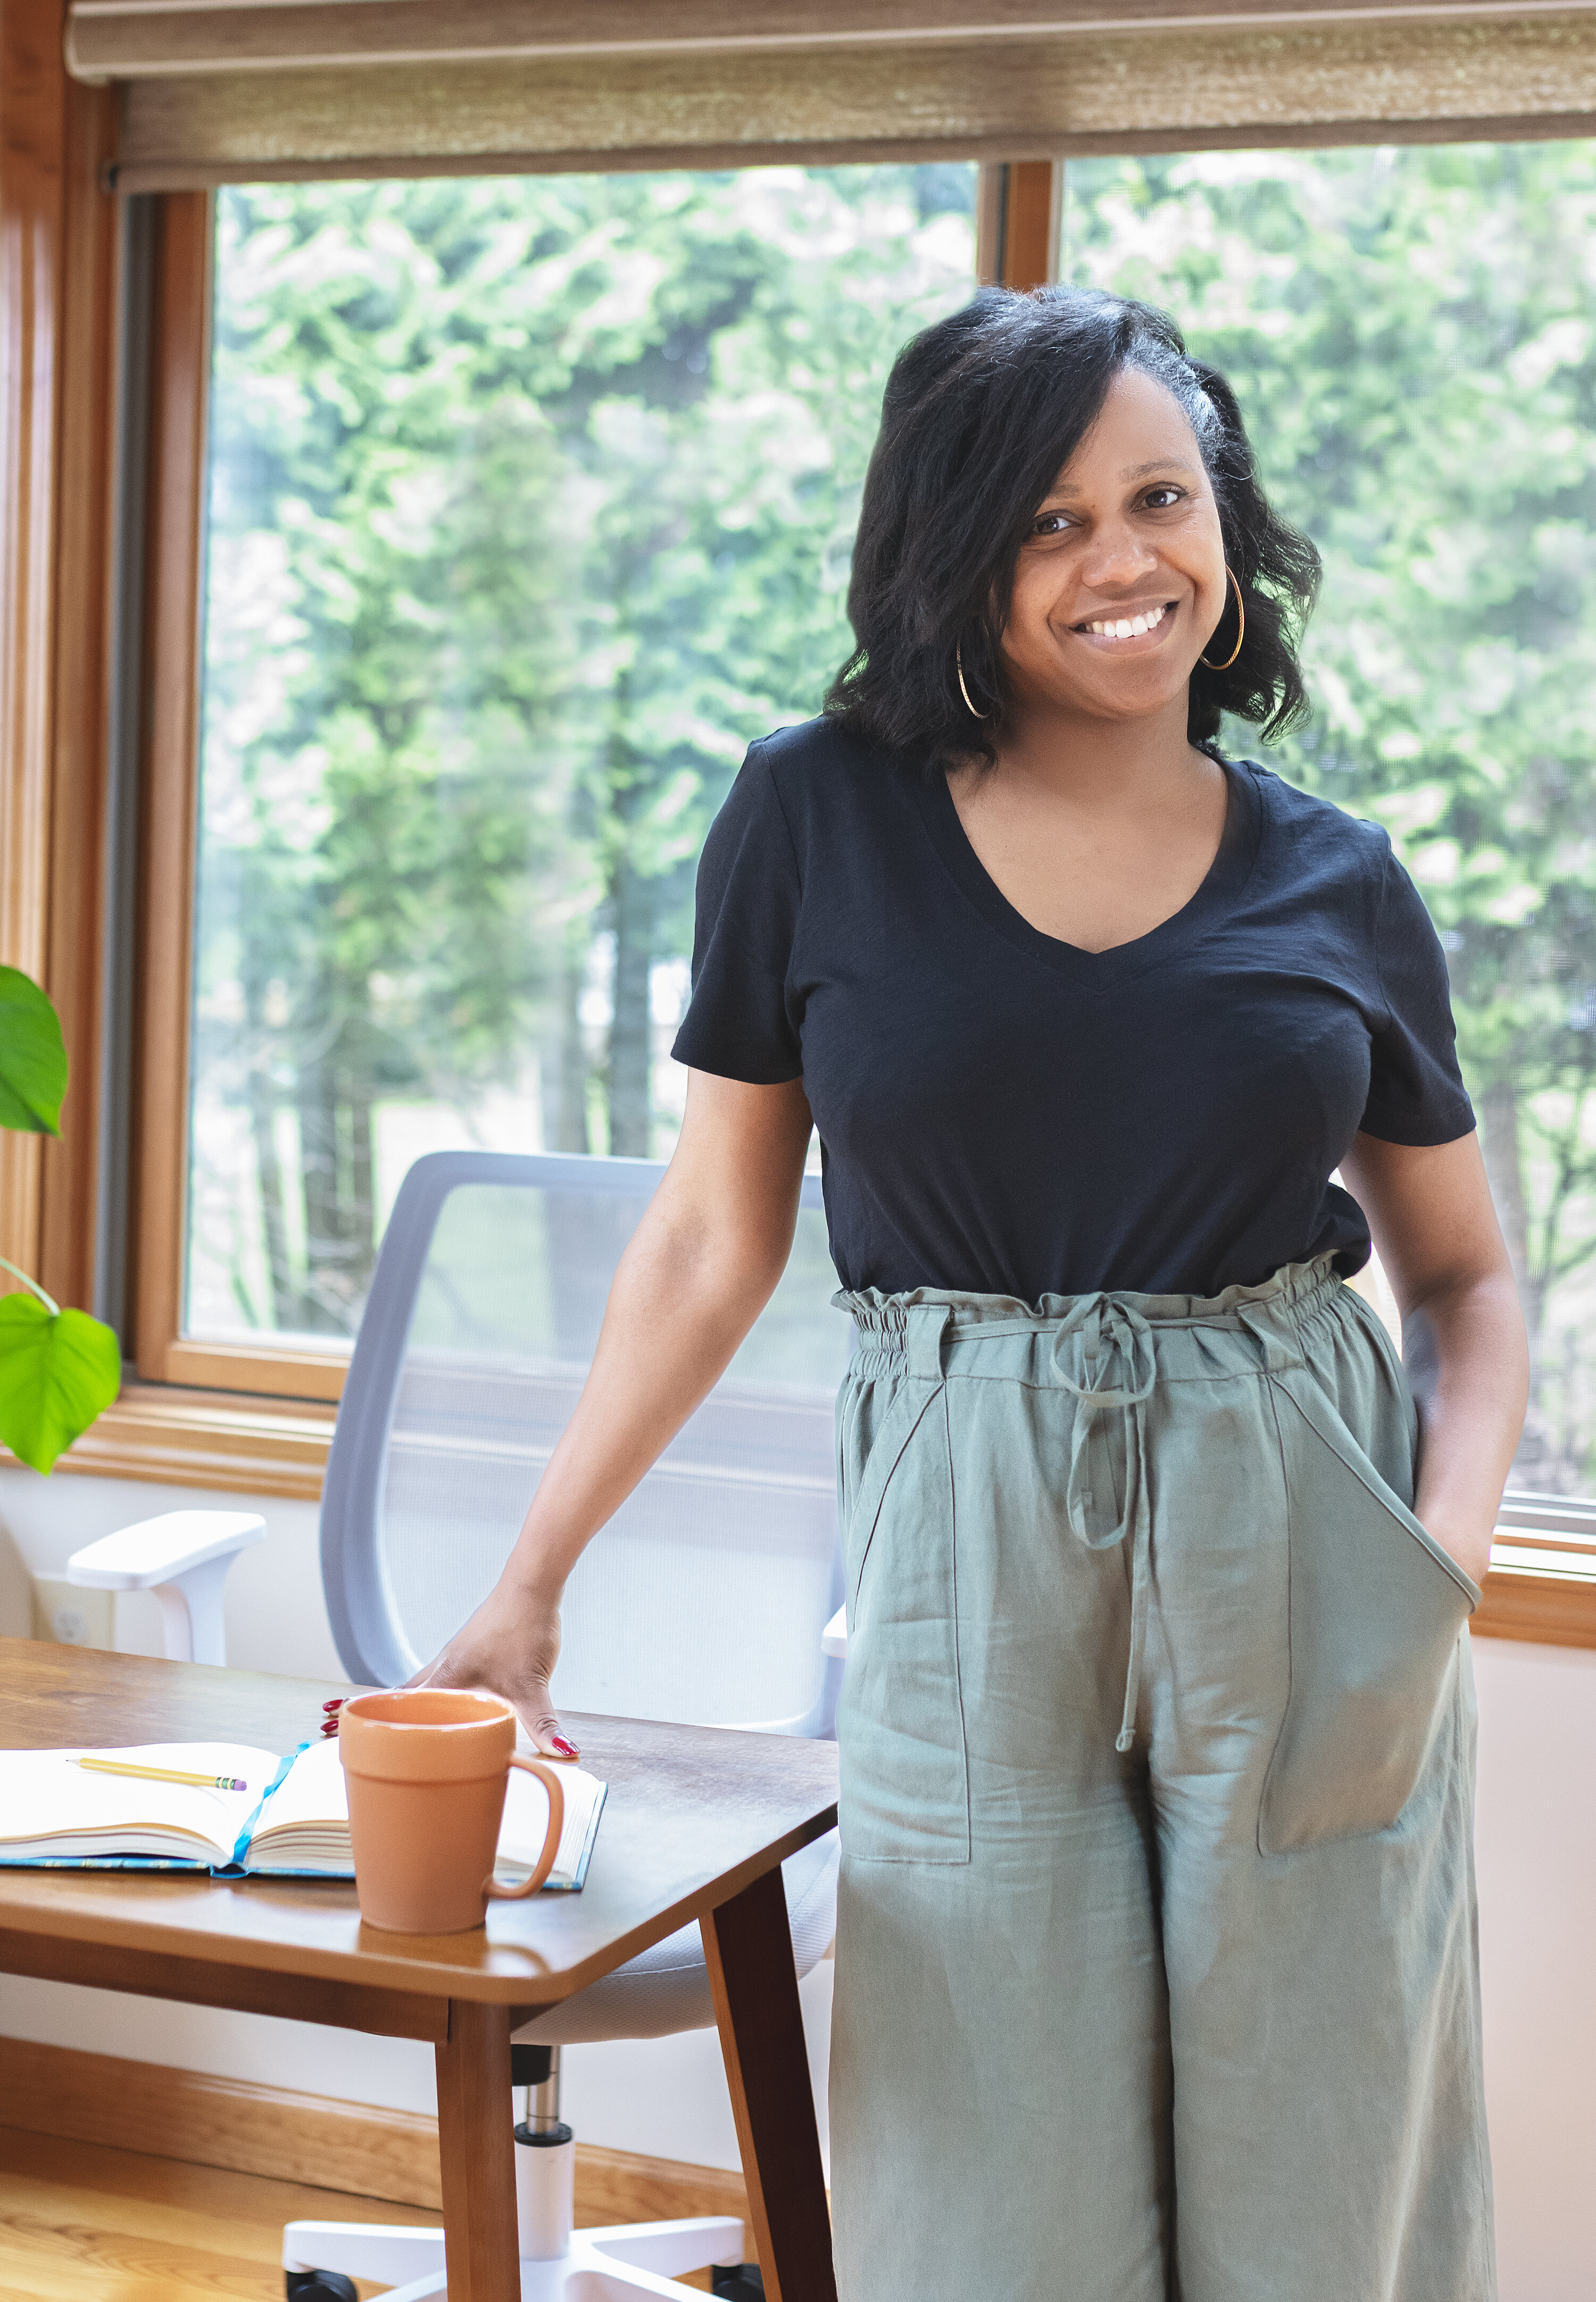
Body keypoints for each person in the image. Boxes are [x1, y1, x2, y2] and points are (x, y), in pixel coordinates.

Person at [413, 287, 1527, 2301]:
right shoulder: (812, 811)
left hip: (1300, 1523)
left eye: (1162, 500)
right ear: (951, 549)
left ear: (1230, 534)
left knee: (1321, 2142)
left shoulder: (1339, 876)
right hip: (966, 1511)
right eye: (1045, 517)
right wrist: (530, 1571)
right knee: (982, 2163)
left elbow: (1466, 1278)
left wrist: (1432, 1579)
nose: (1123, 562)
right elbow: (709, 1233)